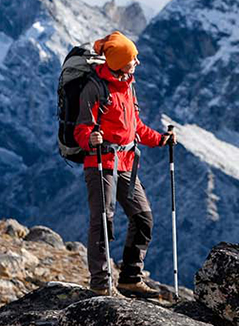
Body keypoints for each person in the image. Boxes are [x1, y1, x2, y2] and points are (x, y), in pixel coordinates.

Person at [74, 30, 176, 297]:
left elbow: (135, 127)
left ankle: (130, 278)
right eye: (133, 59)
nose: (137, 63)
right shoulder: (95, 88)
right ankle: (100, 283)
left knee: (143, 218)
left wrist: (160, 139)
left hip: (127, 164)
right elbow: (81, 129)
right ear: (119, 62)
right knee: (103, 222)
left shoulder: (128, 84)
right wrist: (90, 138)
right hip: (101, 162)